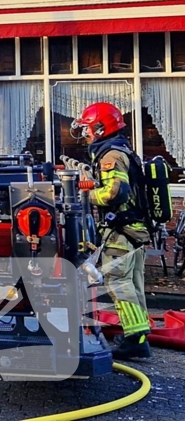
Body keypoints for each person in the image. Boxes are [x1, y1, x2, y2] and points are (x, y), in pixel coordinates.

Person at [72, 102, 151, 360]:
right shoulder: (121, 149)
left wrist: (85, 195)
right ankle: (138, 335)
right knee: (133, 284)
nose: (86, 135)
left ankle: (135, 340)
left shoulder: (110, 156)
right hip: (134, 230)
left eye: (88, 129)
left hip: (122, 231)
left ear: (99, 127)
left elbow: (115, 192)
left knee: (118, 282)